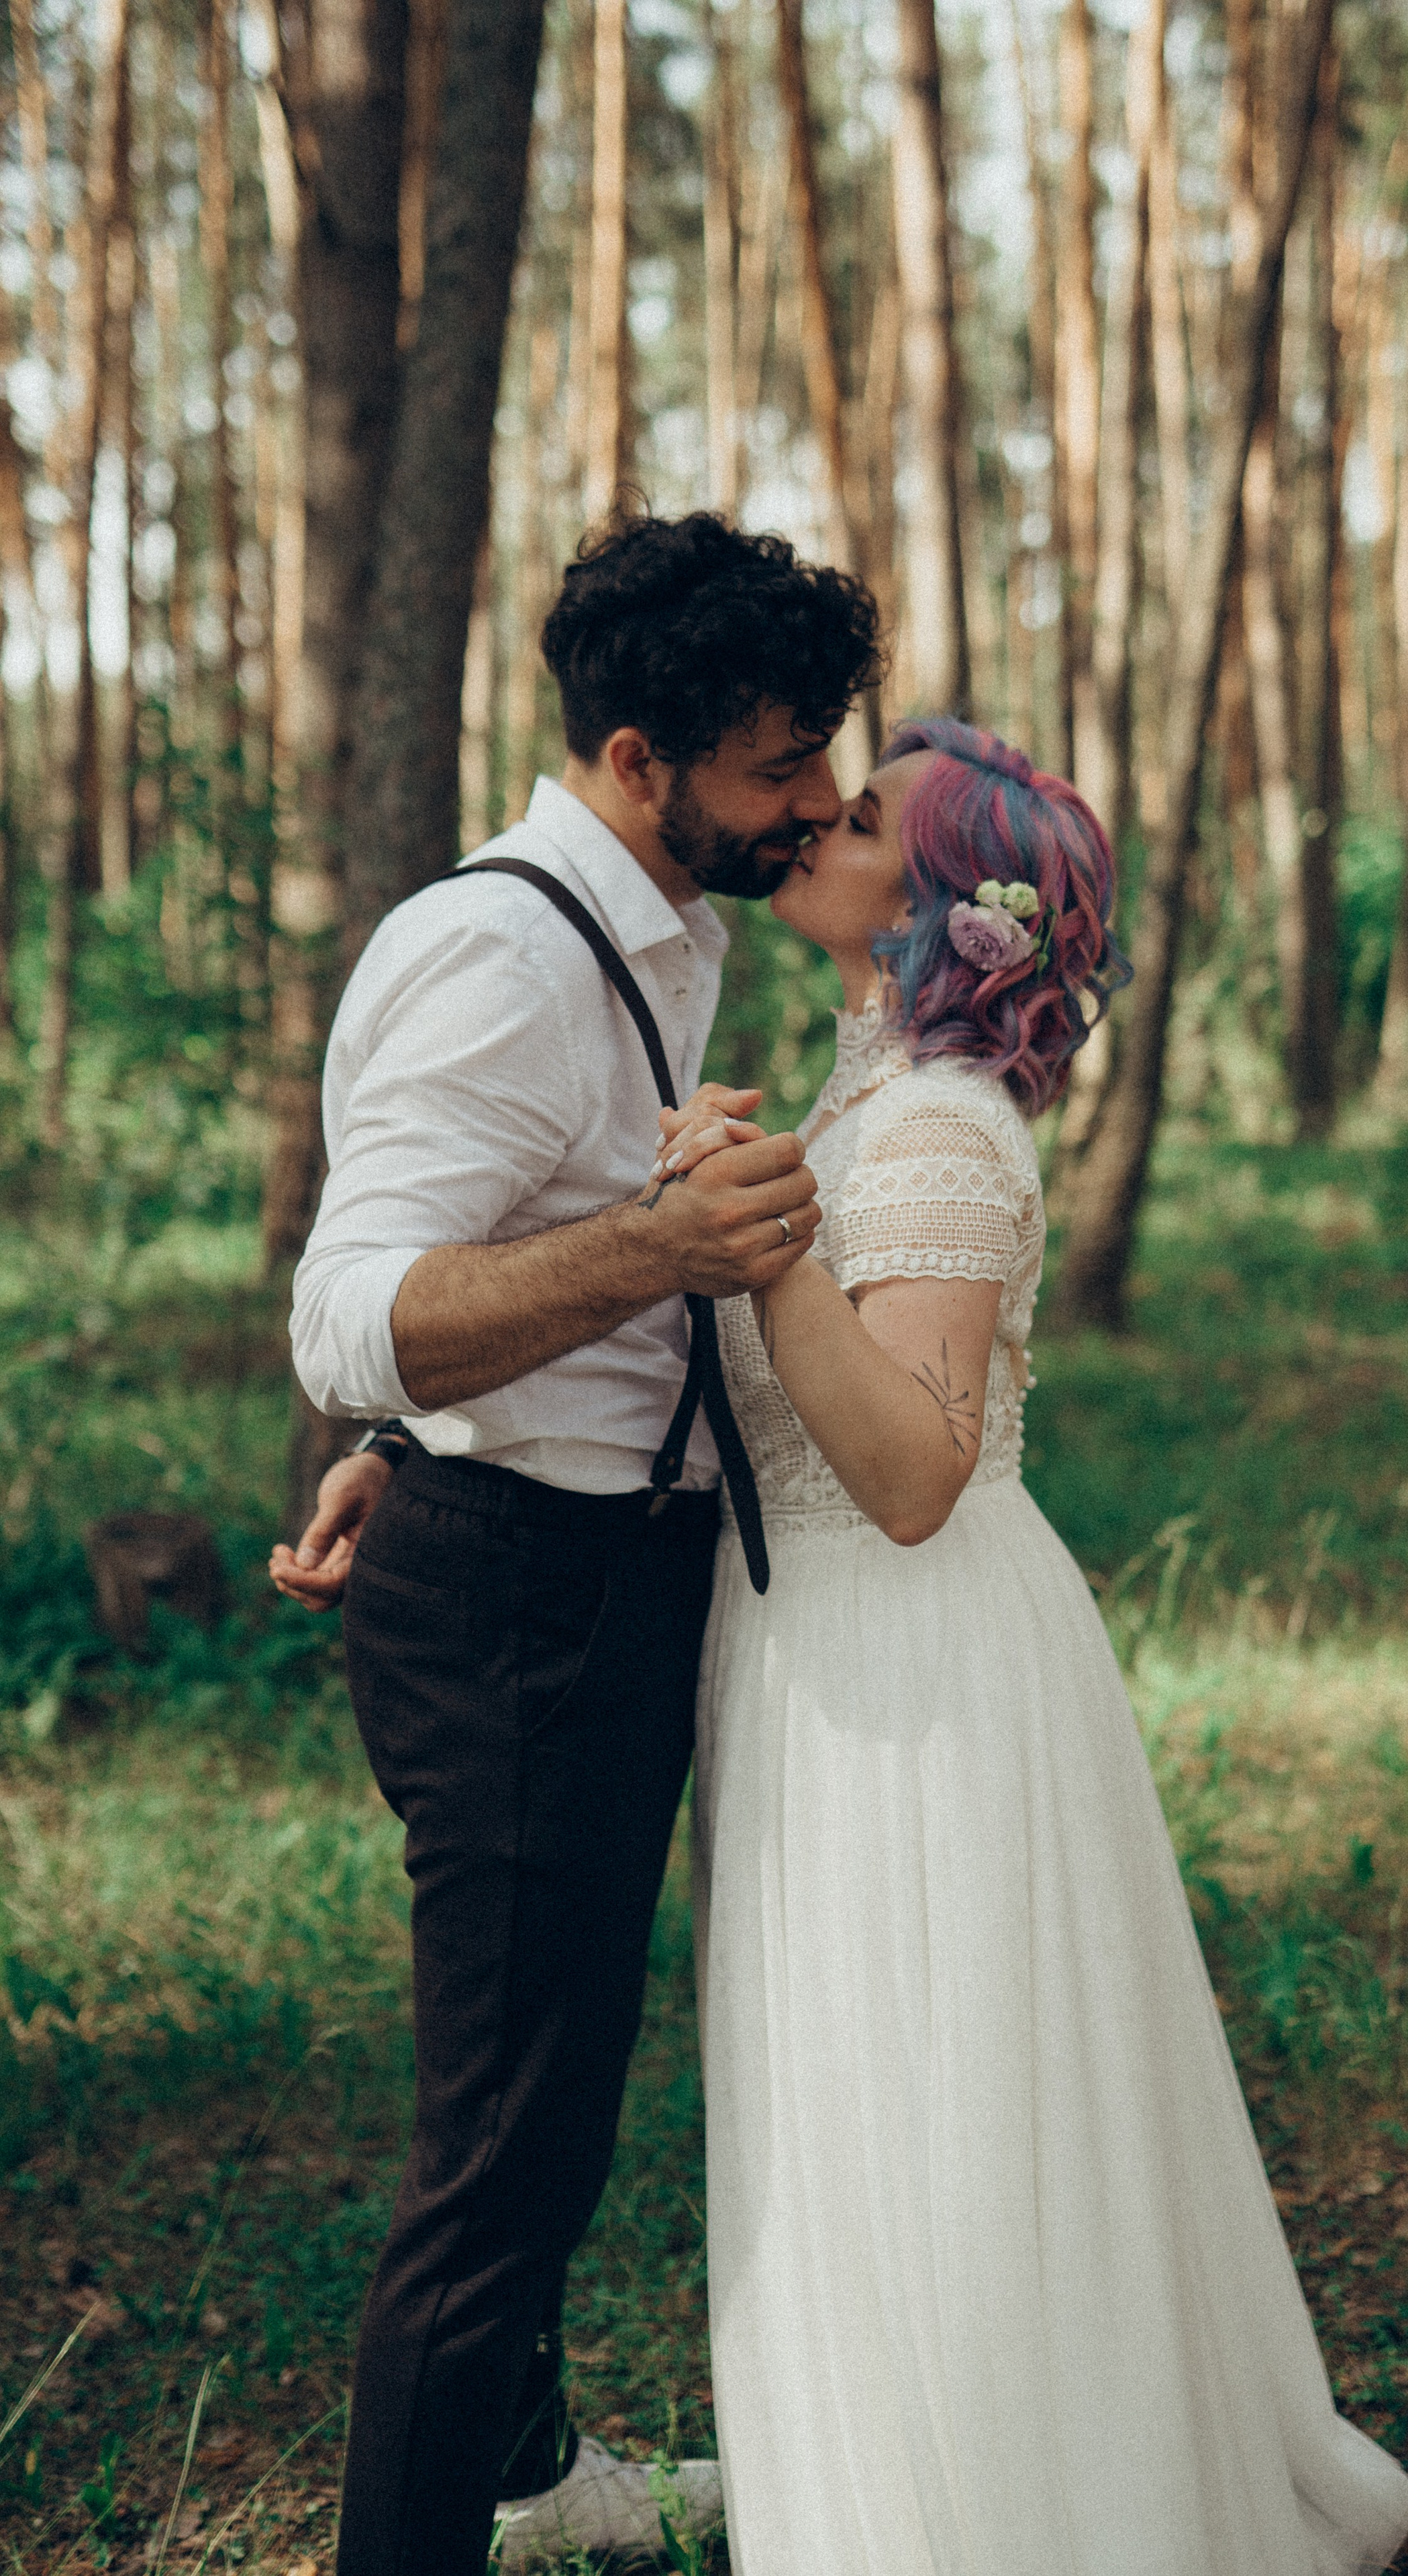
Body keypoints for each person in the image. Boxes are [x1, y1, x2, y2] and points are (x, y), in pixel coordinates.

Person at [662, 720, 1408, 2574]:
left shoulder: (935, 1126)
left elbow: (915, 1474)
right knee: (864, 2103)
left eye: (860, 821)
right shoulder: (863, 1100)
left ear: (940, 910)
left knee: (944, 2104)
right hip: (811, 1644)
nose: (813, 827)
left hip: (913, 1657)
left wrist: (761, 1246)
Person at [276, 509, 881, 2576]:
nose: (817, 802)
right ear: (639, 759)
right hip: (520, 1607)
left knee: (556, 2100)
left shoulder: (659, 920)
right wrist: (652, 1253)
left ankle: (532, 2486)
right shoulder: (507, 955)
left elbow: (479, 1264)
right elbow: (347, 1312)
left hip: (584, 1570)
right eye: (779, 766)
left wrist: (424, 1428)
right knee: (503, 2165)